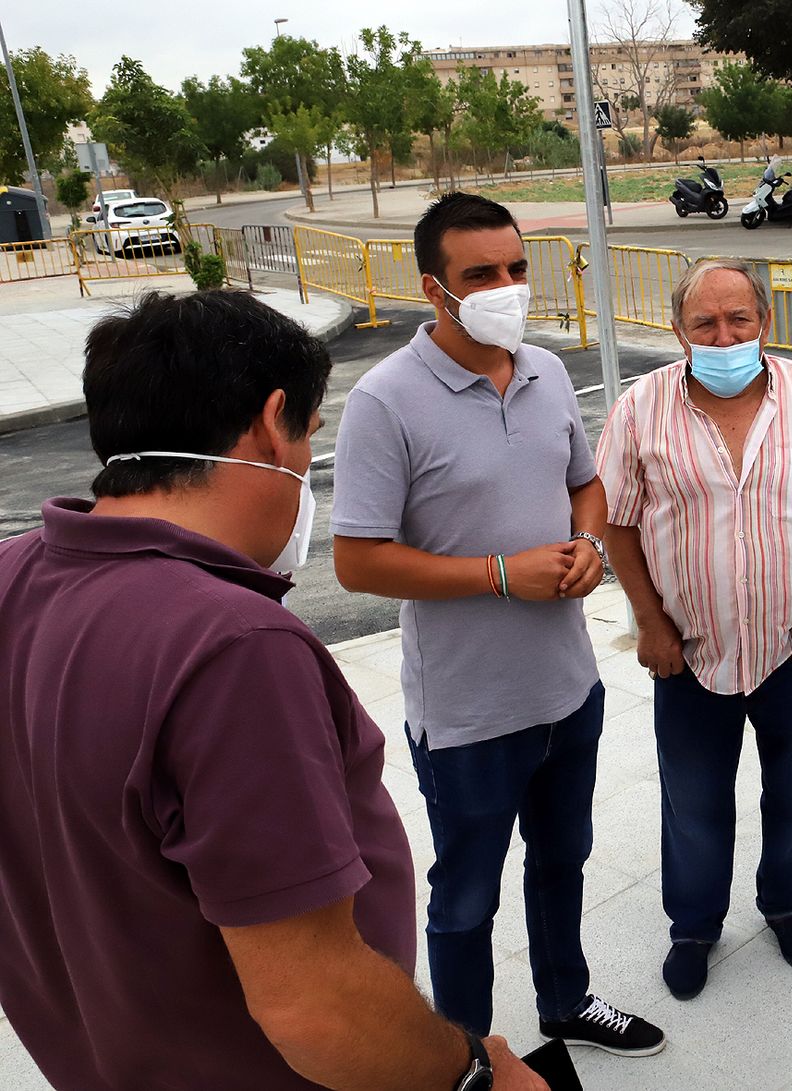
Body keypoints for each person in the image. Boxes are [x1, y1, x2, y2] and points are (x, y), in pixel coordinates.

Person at [0, 290, 544, 1090]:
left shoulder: (15, 576)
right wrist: (471, 1071)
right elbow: (315, 1006)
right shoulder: (231, 647)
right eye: (309, 436)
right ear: (269, 420)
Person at [332, 192, 663, 1057]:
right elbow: (358, 560)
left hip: (567, 687)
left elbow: (585, 482)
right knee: (467, 894)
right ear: (435, 289)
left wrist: (588, 541)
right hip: (468, 714)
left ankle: (567, 1001)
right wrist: (498, 574)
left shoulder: (547, 370)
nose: (507, 289)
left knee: (563, 863)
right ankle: (466, 1054)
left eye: (517, 269)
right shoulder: (385, 401)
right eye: (481, 274)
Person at [596, 258, 792, 1001]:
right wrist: (649, 622)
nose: (724, 336)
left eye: (739, 321)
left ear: (765, 322)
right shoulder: (640, 407)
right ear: (677, 329)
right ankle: (693, 924)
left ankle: (787, 901)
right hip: (686, 651)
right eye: (705, 324)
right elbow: (614, 520)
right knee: (693, 800)